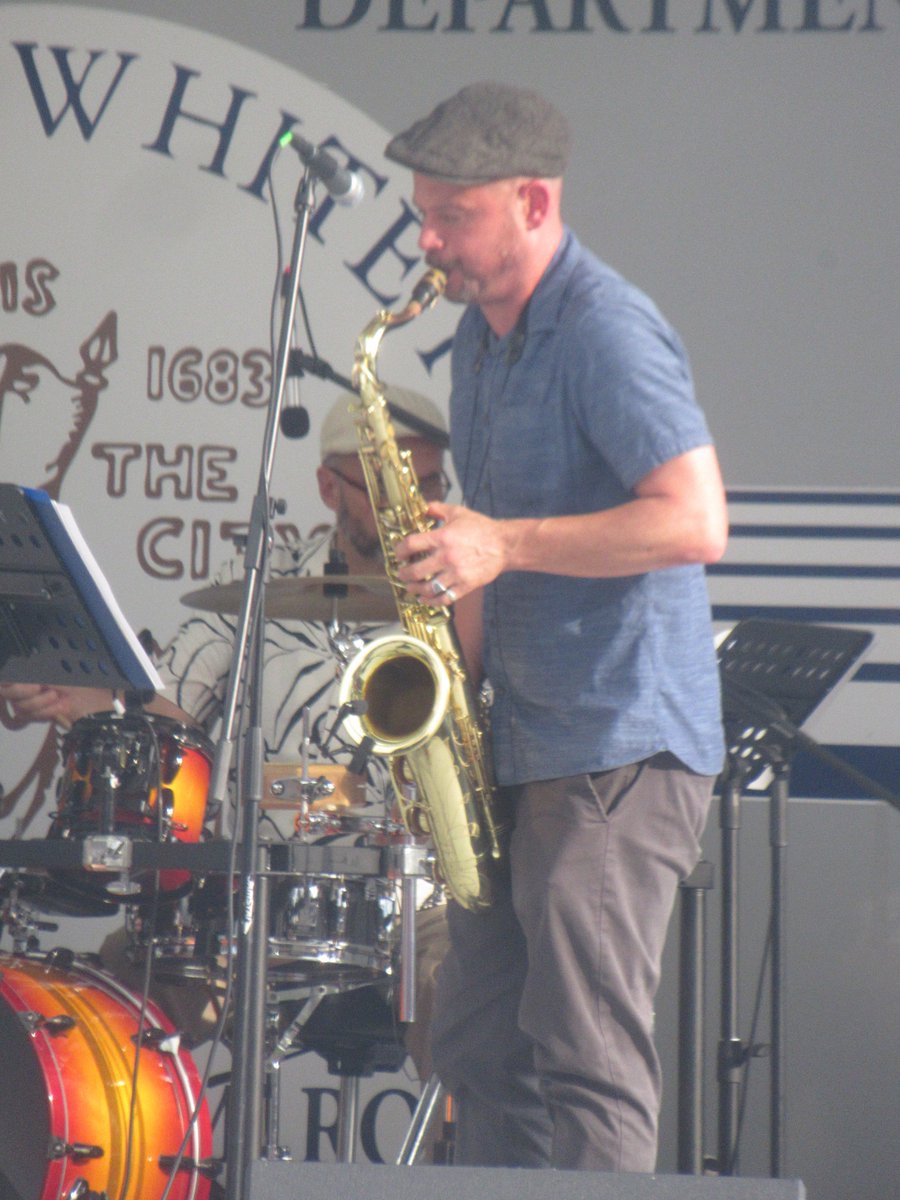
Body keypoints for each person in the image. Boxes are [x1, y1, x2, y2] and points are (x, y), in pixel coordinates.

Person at [384, 82, 729, 1173]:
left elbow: (695, 521)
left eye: (456, 216)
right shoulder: (479, 342)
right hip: (524, 744)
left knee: (587, 1058)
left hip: (615, 748)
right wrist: (449, 718)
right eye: (423, 213)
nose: (430, 241)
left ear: (534, 203)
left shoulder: (606, 330)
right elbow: (472, 541)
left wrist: (508, 546)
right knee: (480, 1044)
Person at [0, 387, 451, 1078]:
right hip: (254, 899)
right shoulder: (258, 584)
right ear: (329, 487)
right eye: (388, 488)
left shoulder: (464, 599)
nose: (411, 508)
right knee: (122, 995)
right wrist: (72, 694)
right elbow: (168, 711)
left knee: (468, 998)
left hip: (413, 899)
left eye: (428, 484)